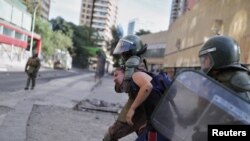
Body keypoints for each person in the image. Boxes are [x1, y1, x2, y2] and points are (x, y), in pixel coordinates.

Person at [112, 35, 170, 141]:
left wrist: (132, 109)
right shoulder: (137, 69)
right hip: (153, 119)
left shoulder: (137, 72)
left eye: (124, 50)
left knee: (112, 134)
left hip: (158, 124)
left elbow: (147, 86)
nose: (121, 53)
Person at [199, 35, 250, 102]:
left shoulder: (237, 82)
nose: (203, 62)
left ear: (218, 57)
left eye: (206, 58)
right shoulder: (218, 76)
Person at [103, 68, 147, 141]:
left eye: (116, 75)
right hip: (147, 113)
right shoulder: (131, 81)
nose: (114, 79)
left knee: (110, 134)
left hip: (144, 111)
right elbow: (118, 89)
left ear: (125, 73)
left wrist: (132, 109)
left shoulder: (135, 76)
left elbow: (147, 86)